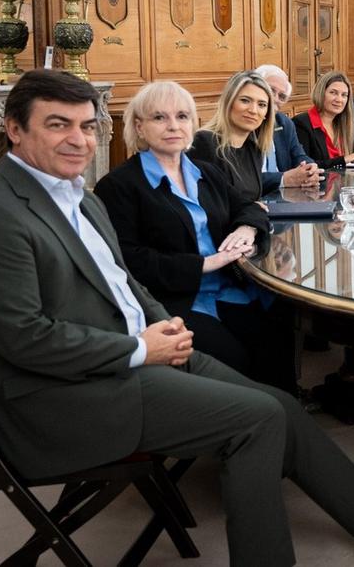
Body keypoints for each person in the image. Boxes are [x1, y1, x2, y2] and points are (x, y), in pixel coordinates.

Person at [0, 69, 354, 567]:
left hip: (133, 352)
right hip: (64, 398)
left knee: (279, 404)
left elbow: (126, 282)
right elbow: (25, 341)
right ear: (14, 129)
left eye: (84, 125)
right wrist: (141, 347)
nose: (78, 139)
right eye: (58, 125)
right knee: (258, 421)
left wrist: (160, 325)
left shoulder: (77, 195)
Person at [94, 80, 276, 382]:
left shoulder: (206, 171)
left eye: (182, 117)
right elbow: (128, 260)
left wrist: (246, 227)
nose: (173, 126)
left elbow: (249, 207)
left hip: (230, 286)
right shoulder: (119, 186)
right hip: (175, 300)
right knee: (235, 360)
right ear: (139, 127)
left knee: (278, 332)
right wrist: (204, 264)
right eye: (159, 117)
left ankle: (284, 417)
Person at [189, 70, 277, 202]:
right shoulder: (203, 142)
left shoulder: (254, 149)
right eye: (245, 100)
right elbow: (207, 204)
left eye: (262, 105)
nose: (253, 110)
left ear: (266, 114)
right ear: (228, 103)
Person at [252, 64, 324, 192]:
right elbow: (242, 179)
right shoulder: (244, 125)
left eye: (282, 96)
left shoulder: (283, 122)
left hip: (285, 196)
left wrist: (310, 169)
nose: (275, 98)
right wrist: (283, 179)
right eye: (271, 90)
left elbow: (299, 156)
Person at [292, 71, 354, 169]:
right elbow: (305, 165)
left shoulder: (341, 124)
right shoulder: (301, 123)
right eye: (333, 93)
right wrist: (345, 159)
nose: (339, 99)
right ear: (321, 93)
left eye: (344, 95)